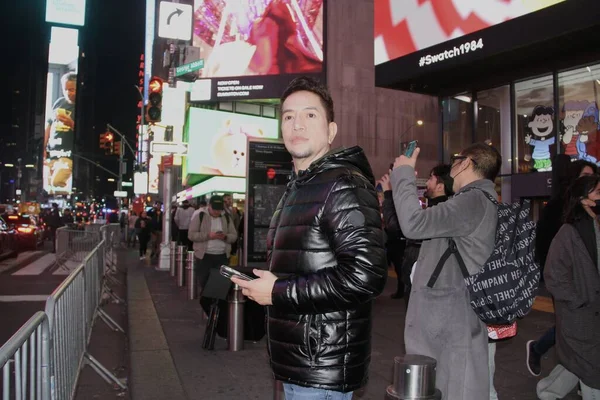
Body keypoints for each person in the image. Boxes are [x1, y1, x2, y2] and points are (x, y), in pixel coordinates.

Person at [232, 76, 387, 400]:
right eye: (288, 116)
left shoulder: (342, 183)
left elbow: (365, 276)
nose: (297, 124)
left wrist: (278, 291)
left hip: (320, 364)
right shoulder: (303, 186)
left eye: (309, 115)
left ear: (331, 130)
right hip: (304, 359)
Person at [391, 142, 501, 399]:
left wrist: (404, 173)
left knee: (453, 388)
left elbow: (413, 224)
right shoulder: (475, 199)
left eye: (456, 158)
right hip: (452, 318)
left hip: (452, 322)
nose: (452, 163)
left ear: (466, 163)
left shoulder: (472, 200)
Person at [526, 157, 598, 376]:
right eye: (586, 176)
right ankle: (537, 349)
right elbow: (548, 242)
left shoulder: (591, 216)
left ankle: (559, 384)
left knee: (580, 333)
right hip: (567, 279)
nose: (592, 180)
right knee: (571, 327)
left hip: (585, 281)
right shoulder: (561, 208)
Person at [536, 175, 600, 399]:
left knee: (579, 362)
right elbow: (553, 274)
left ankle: (548, 391)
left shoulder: (595, 225)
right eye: (598, 193)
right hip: (581, 313)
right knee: (592, 368)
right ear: (584, 200)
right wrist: (577, 301)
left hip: (591, 312)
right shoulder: (569, 232)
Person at [383, 164, 453, 306]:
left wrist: (389, 194)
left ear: (440, 186)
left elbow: (395, 227)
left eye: (431, 178)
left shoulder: (437, 214)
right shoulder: (442, 211)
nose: (426, 183)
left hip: (423, 288)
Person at [188, 196, 238, 294]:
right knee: (205, 283)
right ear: (209, 206)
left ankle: (216, 306)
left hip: (222, 256)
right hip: (204, 256)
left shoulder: (226, 217)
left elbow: (234, 236)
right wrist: (208, 236)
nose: (216, 212)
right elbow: (191, 235)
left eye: (219, 209)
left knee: (220, 285)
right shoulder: (200, 216)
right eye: (214, 209)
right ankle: (207, 306)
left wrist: (225, 237)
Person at [44, 72, 76, 193]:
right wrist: (43, 147)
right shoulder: (59, 102)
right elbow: (49, 125)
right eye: (66, 89)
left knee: (57, 183)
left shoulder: (82, 107)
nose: (68, 93)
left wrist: (71, 123)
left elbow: (85, 134)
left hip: (68, 154)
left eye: (72, 89)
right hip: (53, 153)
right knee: (49, 188)